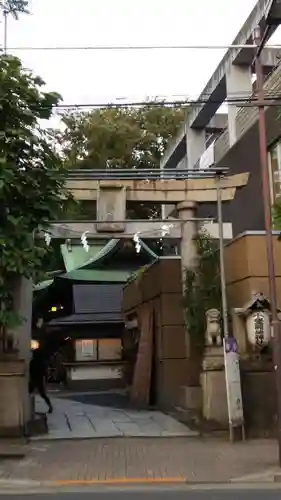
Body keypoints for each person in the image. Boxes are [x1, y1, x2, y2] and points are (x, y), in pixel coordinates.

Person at [29, 346, 53, 414]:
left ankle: (31, 408)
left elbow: (31, 371)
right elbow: (45, 372)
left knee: (30, 392)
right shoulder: (42, 362)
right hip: (40, 379)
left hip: (34, 379)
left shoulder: (33, 361)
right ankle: (50, 406)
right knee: (43, 394)